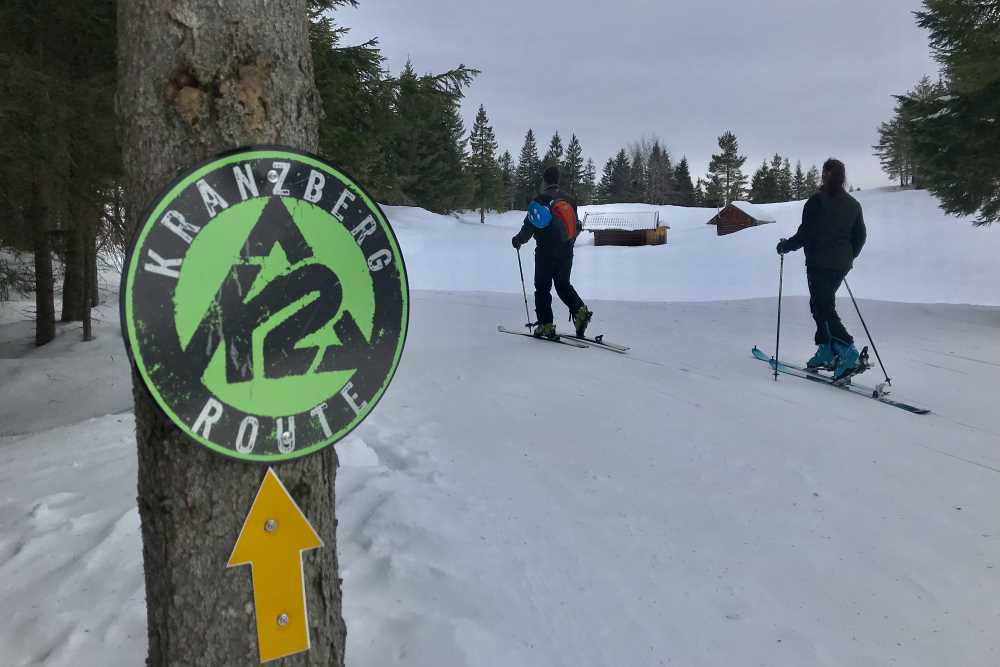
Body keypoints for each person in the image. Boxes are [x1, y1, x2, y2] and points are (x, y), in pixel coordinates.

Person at [777, 158, 867, 381]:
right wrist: (847, 256)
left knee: (823, 307)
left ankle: (848, 352)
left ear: (824, 175)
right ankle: (827, 350)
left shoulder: (817, 202)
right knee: (820, 305)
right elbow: (861, 236)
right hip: (840, 264)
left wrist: (785, 246)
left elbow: (805, 233)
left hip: (819, 263)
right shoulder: (853, 204)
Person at [512, 166, 592, 340]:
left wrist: (518, 240)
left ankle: (546, 325)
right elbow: (576, 226)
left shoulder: (540, 200)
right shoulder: (569, 200)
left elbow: (529, 227)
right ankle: (580, 312)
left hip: (545, 252)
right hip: (566, 251)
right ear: (557, 180)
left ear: (545, 181)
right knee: (563, 285)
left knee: (542, 287)